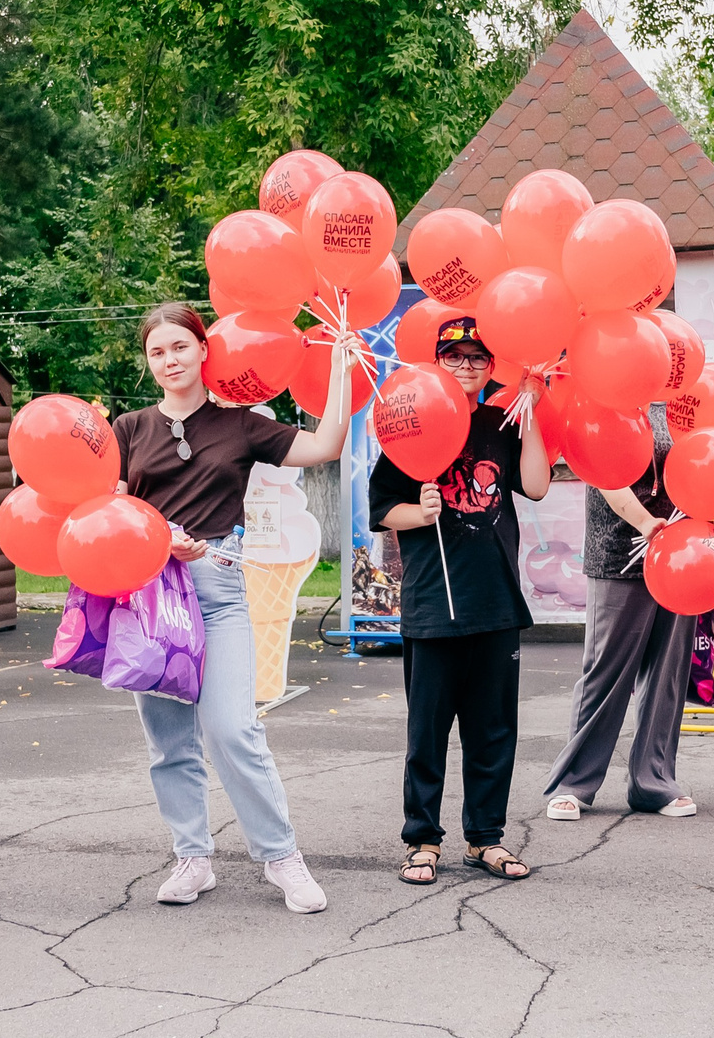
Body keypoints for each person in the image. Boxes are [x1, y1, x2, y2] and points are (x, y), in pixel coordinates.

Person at [111, 303, 353, 914]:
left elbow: (325, 445)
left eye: (180, 348)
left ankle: (282, 859)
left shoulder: (240, 426)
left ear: (203, 351)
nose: (169, 360)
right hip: (152, 593)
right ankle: (192, 858)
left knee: (232, 729)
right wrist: (161, 537)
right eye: (157, 352)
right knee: (169, 741)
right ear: (149, 363)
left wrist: (343, 369)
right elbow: (108, 514)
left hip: (217, 588)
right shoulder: (128, 429)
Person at [369, 317, 551, 883]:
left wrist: (533, 407)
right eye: (454, 357)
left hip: (495, 599)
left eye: (477, 358)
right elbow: (381, 508)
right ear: (436, 363)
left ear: (491, 367)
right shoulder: (411, 423)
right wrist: (418, 515)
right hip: (432, 605)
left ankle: (485, 839)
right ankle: (421, 839)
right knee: (427, 732)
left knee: (492, 730)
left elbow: (538, 484)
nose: (466, 366)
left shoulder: (504, 422)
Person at [543, 420, 697, 821]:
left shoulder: (680, 404)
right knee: (606, 671)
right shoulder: (600, 406)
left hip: (684, 554)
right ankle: (573, 783)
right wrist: (646, 524)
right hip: (618, 551)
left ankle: (654, 782)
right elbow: (604, 474)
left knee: (668, 672)